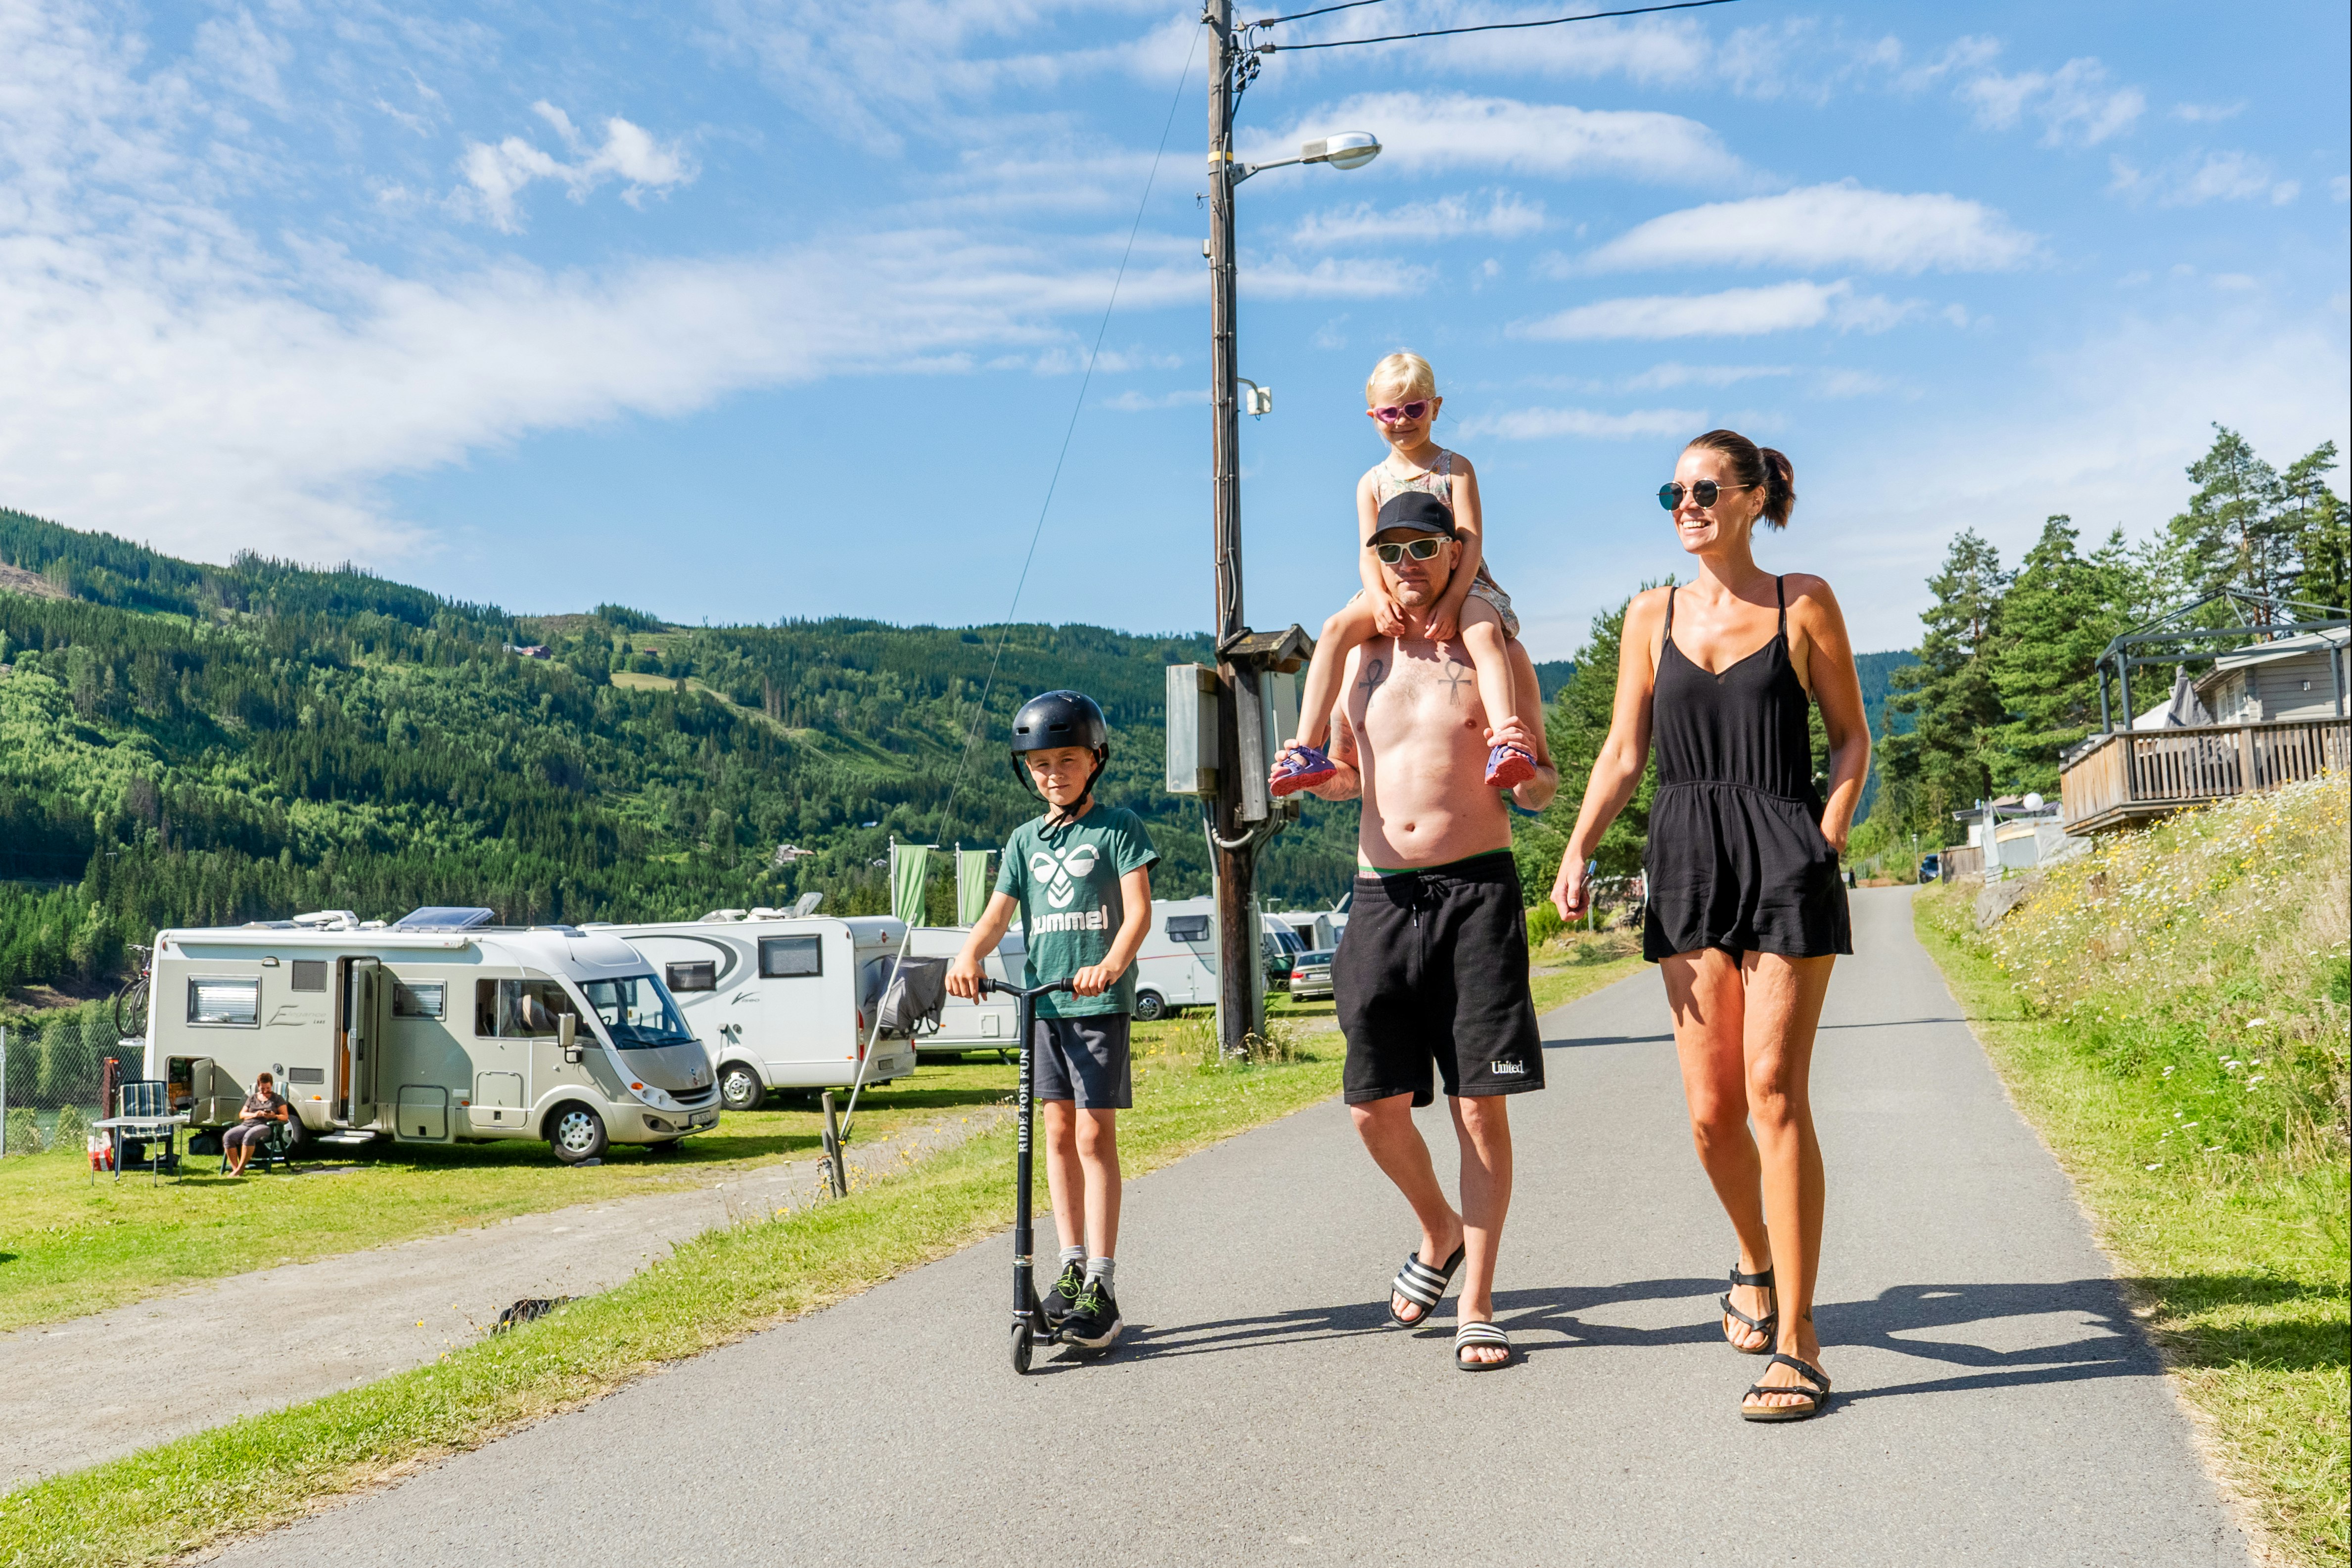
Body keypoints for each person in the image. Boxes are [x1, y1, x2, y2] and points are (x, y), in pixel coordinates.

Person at [1549, 429, 1869, 1422]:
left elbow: (1852, 733)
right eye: (1670, 490)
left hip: (1782, 848)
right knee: (1708, 1112)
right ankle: (1752, 1257)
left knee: (1774, 1092)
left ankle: (1799, 1339)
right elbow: (1619, 749)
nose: (1683, 503)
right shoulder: (1650, 614)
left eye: (1701, 487)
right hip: (1685, 853)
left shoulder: (1801, 600)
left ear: (1749, 495)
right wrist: (1577, 846)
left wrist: (1820, 838)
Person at [1272, 492, 1558, 1370]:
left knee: (1479, 1104)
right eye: (1391, 550)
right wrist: (1315, 778)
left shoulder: (1493, 650)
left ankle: (1478, 1303)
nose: (1407, 563)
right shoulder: (1360, 656)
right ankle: (1440, 1230)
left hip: (1476, 891)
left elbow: (1544, 777)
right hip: (1381, 897)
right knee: (1371, 1108)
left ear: (1451, 551)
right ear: (1376, 558)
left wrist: (1525, 785)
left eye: (1423, 547)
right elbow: (1351, 778)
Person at [947, 690, 1158, 1352]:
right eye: (1038, 764)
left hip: (1094, 1004)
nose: (1052, 774)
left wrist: (1112, 964)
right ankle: (1069, 1265)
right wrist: (968, 953)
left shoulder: (1117, 827)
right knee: (1056, 1133)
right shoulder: (1022, 840)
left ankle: (1101, 1277)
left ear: (1094, 759)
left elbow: (1138, 913)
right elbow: (996, 915)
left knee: (1095, 1138)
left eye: (1065, 760)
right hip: (1043, 1005)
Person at [1272, 351, 1536, 799]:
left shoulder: (1455, 469)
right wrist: (1376, 597)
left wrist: (1453, 601)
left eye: (1414, 409)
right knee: (1334, 629)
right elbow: (1366, 553)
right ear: (1373, 416)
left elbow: (1470, 542)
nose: (1402, 421)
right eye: (1389, 412)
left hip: (1461, 578)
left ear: (1434, 408)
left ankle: (1506, 741)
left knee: (1482, 633)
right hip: (1390, 580)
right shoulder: (1371, 482)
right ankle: (1304, 747)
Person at [222, 1071, 289, 1175]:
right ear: (258, 1086)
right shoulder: (252, 1098)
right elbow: (242, 1115)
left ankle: (241, 1168)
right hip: (247, 1124)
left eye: (268, 1088)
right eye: (262, 1089)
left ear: (271, 1085)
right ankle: (236, 1169)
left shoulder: (277, 1099)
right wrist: (255, 1115)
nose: (265, 1091)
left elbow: (285, 1117)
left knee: (249, 1136)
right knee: (228, 1136)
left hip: (266, 1126)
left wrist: (274, 1116)